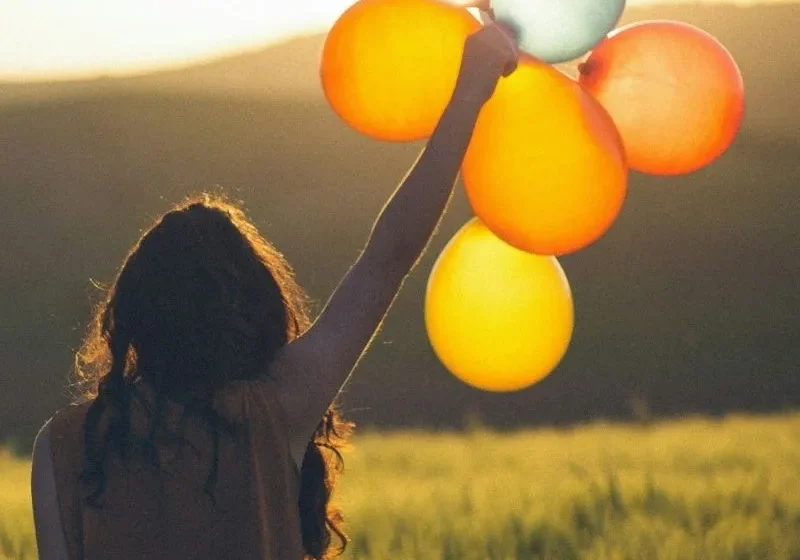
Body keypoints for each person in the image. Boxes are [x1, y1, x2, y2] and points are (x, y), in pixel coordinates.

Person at [30, 20, 518, 560]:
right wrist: (472, 86)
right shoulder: (272, 410)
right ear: (253, 307)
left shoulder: (63, 447)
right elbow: (388, 257)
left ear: (133, 314)